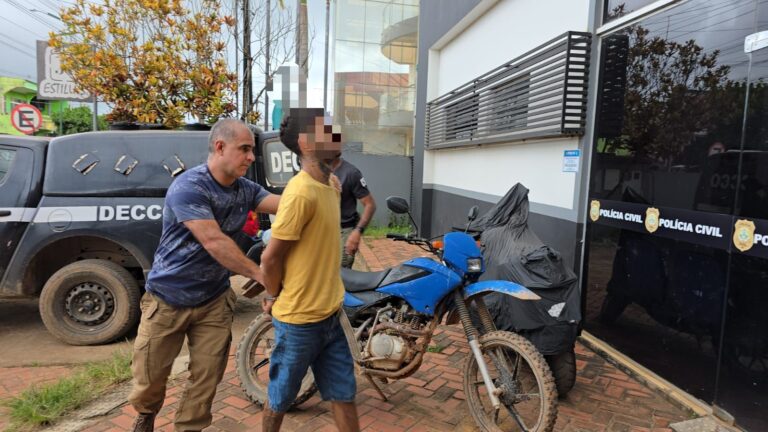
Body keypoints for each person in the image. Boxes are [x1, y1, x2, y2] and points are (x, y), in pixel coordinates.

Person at [128, 119, 280, 432]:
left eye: (252, 150)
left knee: (207, 376)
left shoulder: (245, 189)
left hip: (213, 299)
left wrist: (315, 187)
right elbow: (214, 242)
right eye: (245, 149)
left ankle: (189, 427)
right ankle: (146, 413)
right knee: (149, 379)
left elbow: (285, 204)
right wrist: (262, 275)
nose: (251, 157)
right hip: (168, 298)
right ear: (220, 147)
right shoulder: (190, 186)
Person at [259, 108, 359, 432]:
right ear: (306, 142)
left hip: (330, 314)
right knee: (280, 399)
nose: (335, 133)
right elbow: (270, 259)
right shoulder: (300, 193)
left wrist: (332, 180)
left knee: (344, 395)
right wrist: (272, 295)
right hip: (299, 322)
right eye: (326, 129)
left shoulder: (330, 186)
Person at [331, 152, 376, 268]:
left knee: (341, 273)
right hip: (323, 231)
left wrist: (357, 232)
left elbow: (370, 204)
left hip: (344, 231)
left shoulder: (351, 173)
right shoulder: (316, 171)